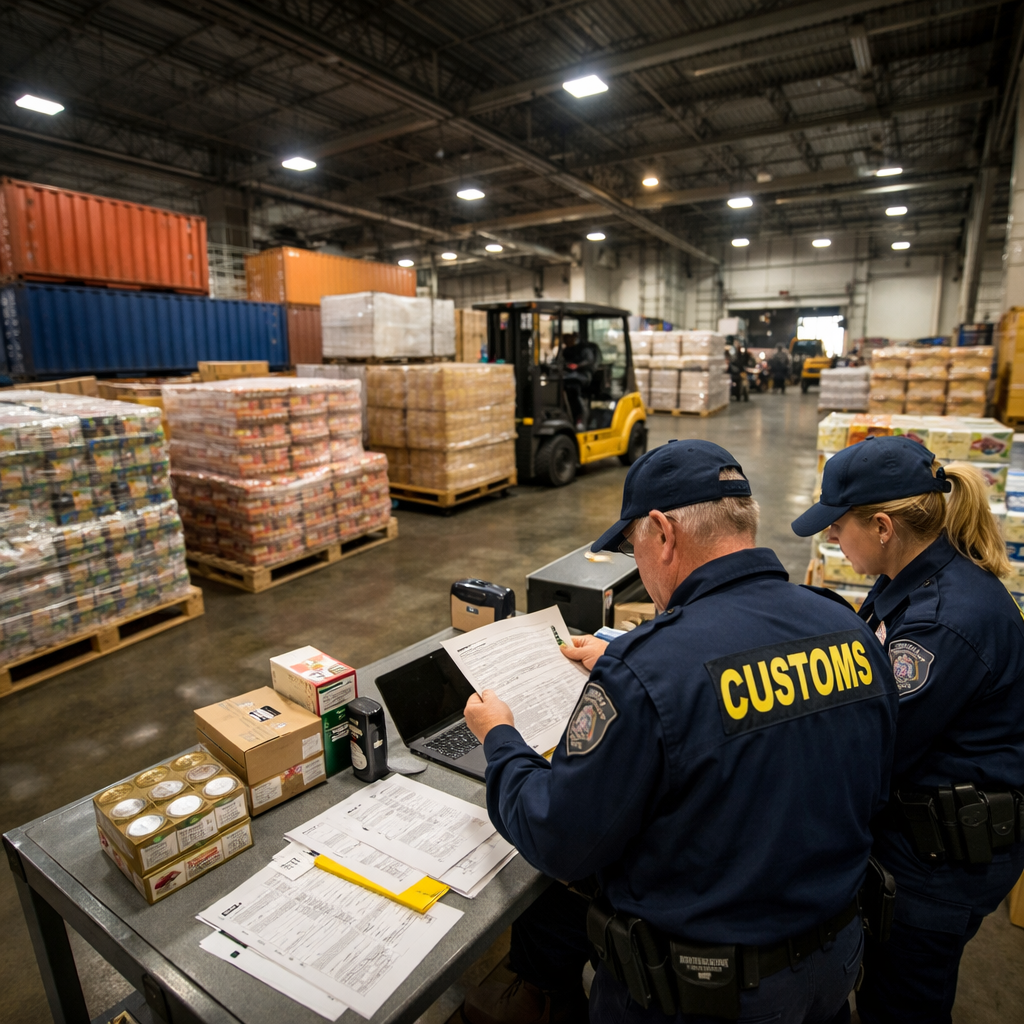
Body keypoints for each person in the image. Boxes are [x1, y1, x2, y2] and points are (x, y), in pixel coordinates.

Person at [462, 439, 899, 1024]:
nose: (636, 564)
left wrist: (500, 739)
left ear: (663, 533)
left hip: (701, 996)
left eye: (632, 546)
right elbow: (868, 790)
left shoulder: (649, 669)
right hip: (831, 969)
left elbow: (558, 839)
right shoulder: (848, 629)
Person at [791, 435, 1024, 1024]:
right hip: (928, 829)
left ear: (884, 526)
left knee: (901, 1000)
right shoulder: (912, 580)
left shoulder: (944, 622)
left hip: (939, 858)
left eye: (839, 526)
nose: (831, 539)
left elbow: (872, 743)